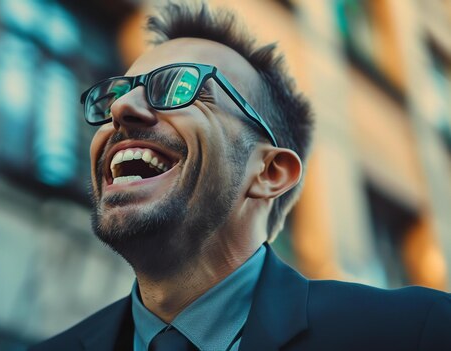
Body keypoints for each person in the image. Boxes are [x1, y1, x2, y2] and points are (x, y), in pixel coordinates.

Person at [32, 2, 451, 350]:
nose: (121, 110)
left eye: (179, 87)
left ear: (269, 173)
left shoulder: (414, 333)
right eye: (117, 94)